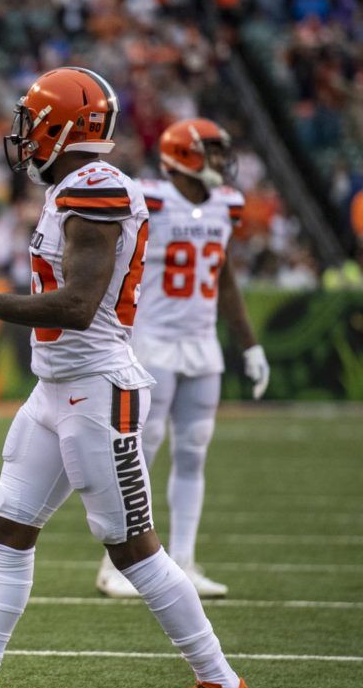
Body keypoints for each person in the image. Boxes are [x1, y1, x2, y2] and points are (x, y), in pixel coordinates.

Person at [0, 68, 256, 688]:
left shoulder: (97, 189)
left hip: (97, 388)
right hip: (56, 387)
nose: (23, 138)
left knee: (131, 547)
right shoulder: (72, 189)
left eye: (33, 124)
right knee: (8, 525)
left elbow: (80, 306)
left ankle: (221, 683)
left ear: (64, 128)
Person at [95, 118, 269, 600]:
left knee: (193, 453)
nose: (220, 161)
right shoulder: (148, 198)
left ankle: (185, 561)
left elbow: (225, 278)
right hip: (152, 341)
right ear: (185, 155)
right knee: (141, 452)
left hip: (201, 344)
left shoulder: (227, 204)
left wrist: (249, 343)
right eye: (211, 152)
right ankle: (119, 564)